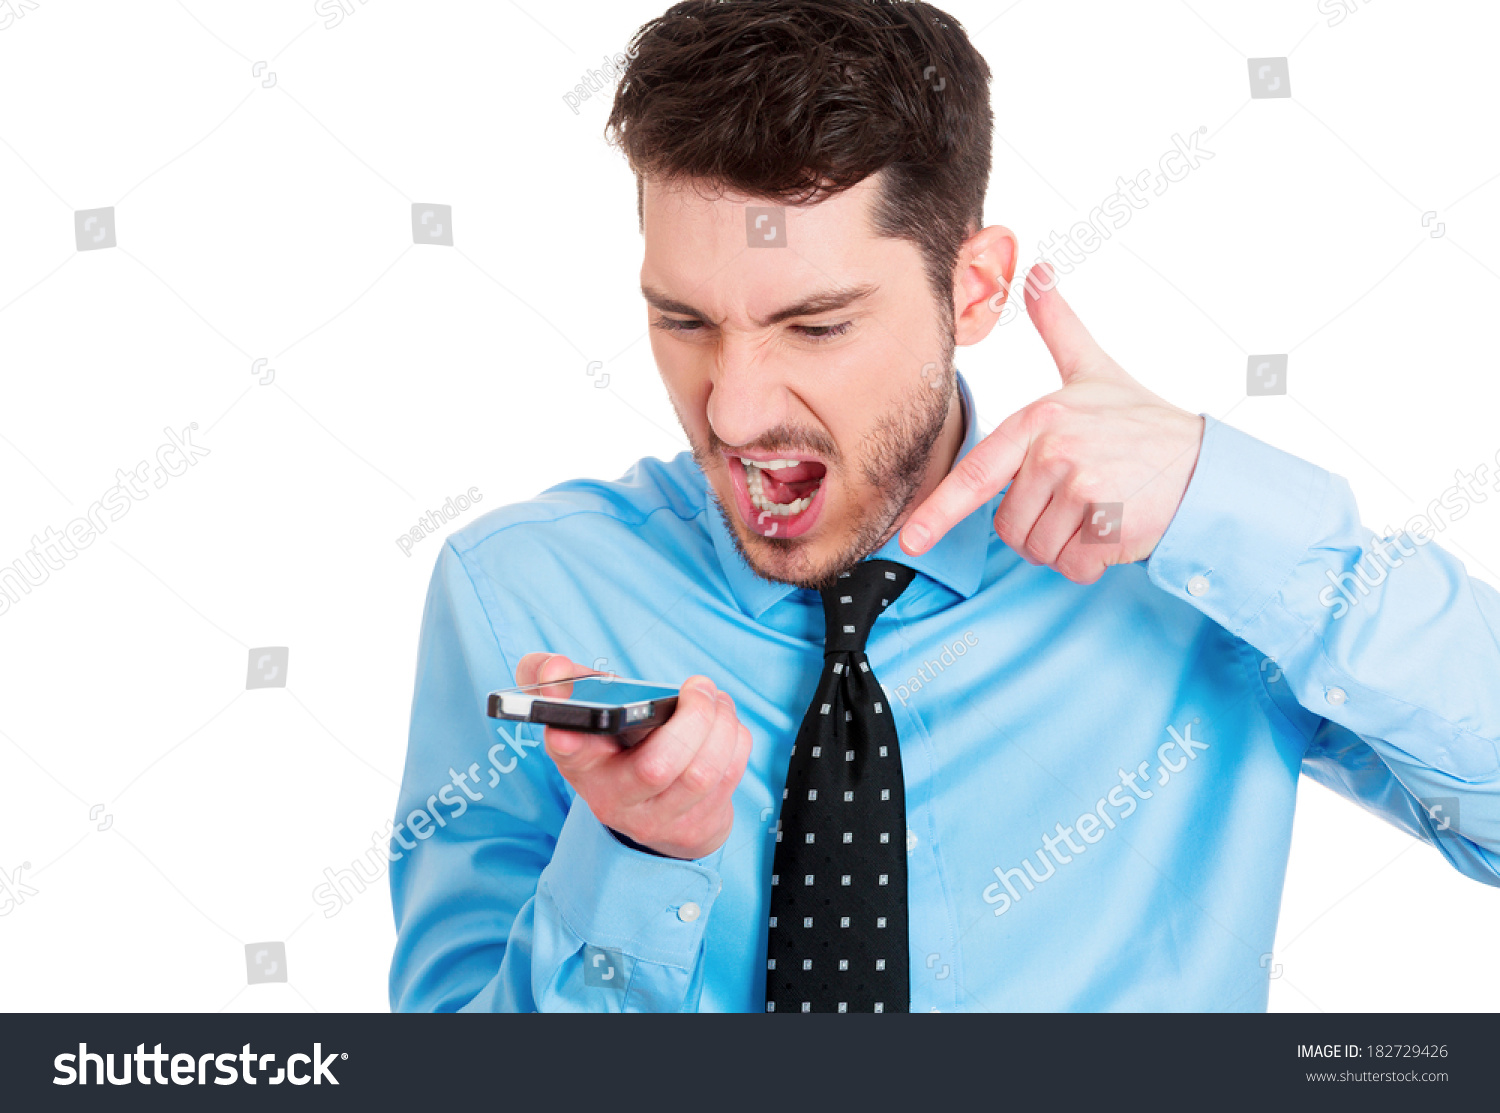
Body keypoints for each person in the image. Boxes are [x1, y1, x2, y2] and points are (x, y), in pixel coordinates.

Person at [388, 0, 1500, 1012]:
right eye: (684, 321)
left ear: (973, 288)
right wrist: (638, 859)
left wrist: (1231, 509)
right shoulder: (523, 597)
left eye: (815, 327)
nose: (731, 409)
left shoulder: (1203, 577)